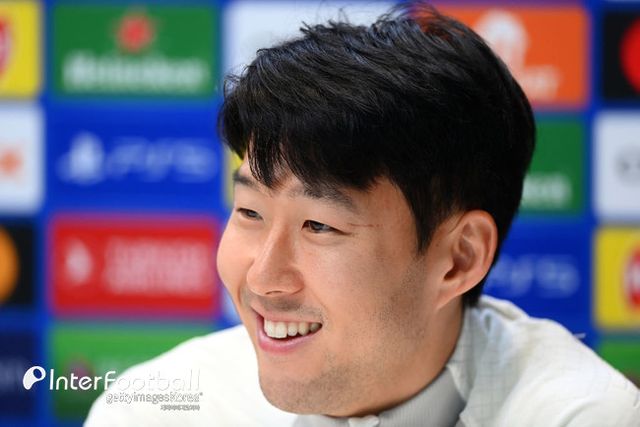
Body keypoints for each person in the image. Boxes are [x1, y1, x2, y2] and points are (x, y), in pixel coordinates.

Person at [85, 2, 640, 426]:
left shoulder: (579, 415)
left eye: (319, 225)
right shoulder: (157, 409)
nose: (263, 277)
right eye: (250, 212)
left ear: (459, 258)